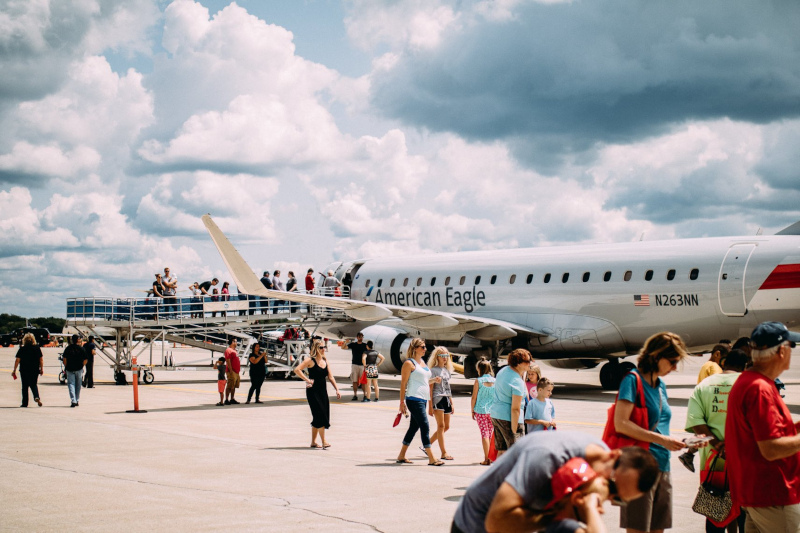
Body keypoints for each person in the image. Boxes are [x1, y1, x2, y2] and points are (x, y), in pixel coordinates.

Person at [451, 431, 660, 533]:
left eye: (618, 500)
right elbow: (496, 522)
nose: (606, 499)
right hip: (475, 524)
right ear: (613, 456)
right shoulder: (547, 457)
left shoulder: (598, 461)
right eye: (611, 486)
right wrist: (557, 515)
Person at [726, 321, 800, 533]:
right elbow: (770, 447)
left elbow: (762, 434)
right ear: (782, 351)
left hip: (756, 495)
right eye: (791, 347)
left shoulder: (749, 381)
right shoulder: (760, 389)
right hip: (774, 496)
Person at [613, 331, 690, 533]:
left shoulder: (661, 385)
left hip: (662, 466)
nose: (674, 368)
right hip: (638, 468)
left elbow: (659, 425)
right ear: (656, 356)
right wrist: (662, 439)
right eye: (672, 361)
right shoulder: (632, 380)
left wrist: (683, 441)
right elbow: (620, 423)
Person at [685, 349, 748, 533]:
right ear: (744, 366)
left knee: (715, 512)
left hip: (713, 462)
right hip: (743, 462)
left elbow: (696, 422)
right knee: (744, 513)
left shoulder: (704, 386)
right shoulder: (748, 385)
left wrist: (718, 445)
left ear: (724, 362)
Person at [396, 338, 444, 466]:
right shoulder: (409, 363)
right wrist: (402, 402)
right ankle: (431, 457)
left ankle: (401, 455)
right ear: (415, 348)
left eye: (425, 347)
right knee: (425, 425)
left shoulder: (422, 362)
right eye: (422, 347)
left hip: (422, 399)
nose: (425, 349)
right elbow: (403, 384)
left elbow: (423, 382)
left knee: (413, 428)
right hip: (413, 398)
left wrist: (434, 380)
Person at [539, 458, 611, 533]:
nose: (602, 510)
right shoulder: (566, 526)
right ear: (578, 498)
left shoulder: (556, 526)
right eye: (598, 503)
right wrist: (591, 507)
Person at [293, 338, 341, 448]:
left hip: (323, 392)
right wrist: (307, 379)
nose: (323, 349)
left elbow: (330, 376)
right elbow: (297, 370)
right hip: (313, 392)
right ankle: (324, 441)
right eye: (321, 347)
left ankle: (313, 442)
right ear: (315, 348)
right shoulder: (310, 360)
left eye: (324, 347)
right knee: (320, 415)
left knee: (319, 416)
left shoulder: (325, 360)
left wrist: (337, 389)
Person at [490, 348, 532, 456]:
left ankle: (499, 472)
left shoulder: (504, 371)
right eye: (527, 361)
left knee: (502, 450)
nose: (530, 364)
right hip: (510, 419)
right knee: (515, 453)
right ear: (518, 363)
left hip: (496, 414)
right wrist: (514, 431)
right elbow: (515, 409)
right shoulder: (517, 382)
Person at [429, 347, 455, 461]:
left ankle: (427, 444)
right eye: (443, 356)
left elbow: (448, 388)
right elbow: (430, 388)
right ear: (437, 357)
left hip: (446, 399)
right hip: (437, 398)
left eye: (446, 356)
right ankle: (444, 452)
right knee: (441, 426)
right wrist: (429, 405)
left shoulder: (447, 370)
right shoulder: (433, 370)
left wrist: (452, 402)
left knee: (447, 426)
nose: (445, 358)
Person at [471, 358, 495, 465]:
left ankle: (486, 459)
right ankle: (491, 457)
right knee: (490, 434)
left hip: (481, 410)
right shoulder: (495, 381)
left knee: (484, 434)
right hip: (493, 411)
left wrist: (472, 410)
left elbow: (474, 397)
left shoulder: (478, 381)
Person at [11, 333, 44, 407]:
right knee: (33, 384)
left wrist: (14, 370)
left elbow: (17, 360)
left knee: (25, 386)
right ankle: (36, 397)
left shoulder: (22, 349)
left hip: (24, 369)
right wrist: (41, 369)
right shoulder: (37, 348)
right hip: (35, 369)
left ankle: (25, 403)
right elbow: (41, 359)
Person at [62, 334, 87, 407]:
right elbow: (85, 359)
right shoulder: (81, 349)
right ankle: (77, 399)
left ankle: (73, 400)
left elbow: (64, 359)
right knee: (78, 385)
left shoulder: (68, 348)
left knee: (71, 384)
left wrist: (66, 366)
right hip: (79, 368)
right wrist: (82, 366)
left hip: (70, 368)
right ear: (78, 340)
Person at [346, 333, 368, 401]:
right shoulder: (353, 344)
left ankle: (365, 395)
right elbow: (343, 347)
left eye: (362, 337)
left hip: (362, 365)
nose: (361, 338)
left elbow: (368, 352)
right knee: (354, 380)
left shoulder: (365, 345)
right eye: (360, 337)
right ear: (357, 337)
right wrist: (345, 342)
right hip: (354, 364)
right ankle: (355, 395)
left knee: (363, 381)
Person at [224, 338, 240, 405]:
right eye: (235, 341)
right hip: (232, 371)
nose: (236, 343)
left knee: (233, 386)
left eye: (236, 341)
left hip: (236, 371)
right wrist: (230, 370)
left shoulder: (235, 350)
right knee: (230, 385)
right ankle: (226, 399)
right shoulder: (228, 350)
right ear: (231, 342)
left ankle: (232, 399)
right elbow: (228, 360)